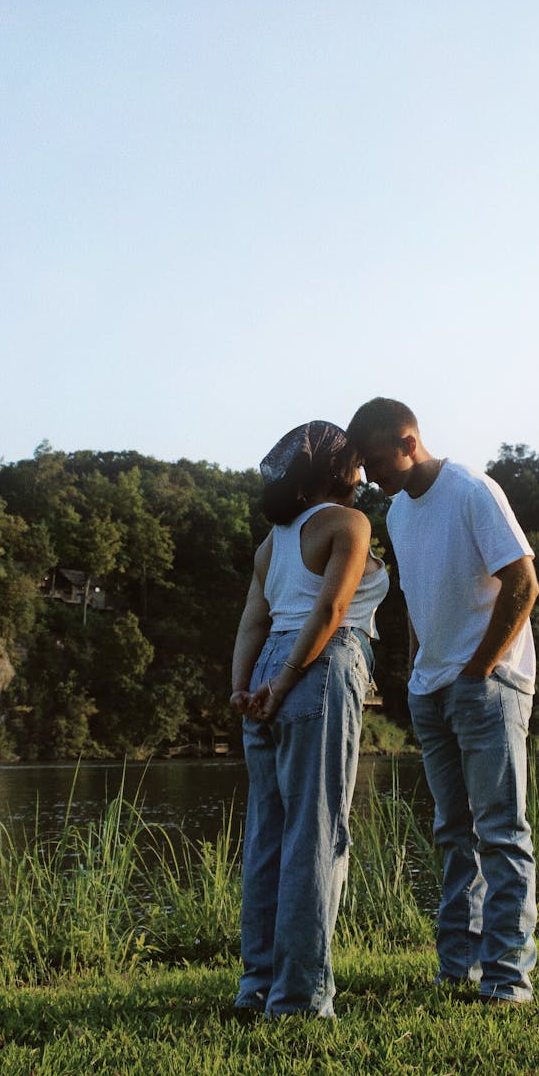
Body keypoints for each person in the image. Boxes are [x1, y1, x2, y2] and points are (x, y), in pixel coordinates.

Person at [346, 398, 539, 1005]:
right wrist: (414, 672)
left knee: (501, 833)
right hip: (431, 690)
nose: (371, 476)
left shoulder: (472, 490)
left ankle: (508, 981)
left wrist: (479, 670)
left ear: (408, 442)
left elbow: (524, 582)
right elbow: (416, 598)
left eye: (376, 461)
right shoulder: (399, 514)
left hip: (488, 685)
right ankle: (458, 971)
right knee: (453, 835)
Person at [229, 420, 389, 1019]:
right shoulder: (348, 523)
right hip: (316, 664)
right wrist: (289, 679)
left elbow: (252, 622)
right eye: (353, 461)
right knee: (316, 835)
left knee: (268, 833)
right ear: (336, 471)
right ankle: (298, 1000)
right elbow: (333, 608)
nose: (362, 470)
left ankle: (258, 987)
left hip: (269, 664)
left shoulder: (271, 541)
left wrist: (242, 689)